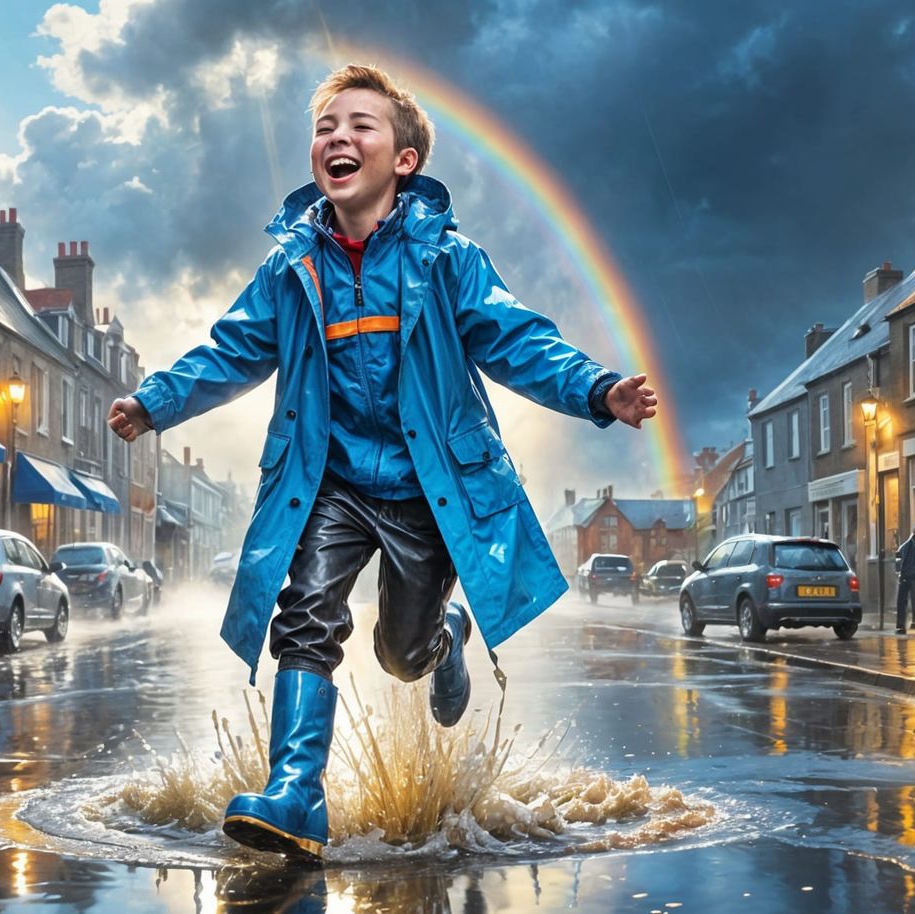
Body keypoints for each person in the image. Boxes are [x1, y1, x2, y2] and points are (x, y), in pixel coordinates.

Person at [105, 65, 656, 862]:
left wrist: (599, 390)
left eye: (361, 125)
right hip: (328, 479)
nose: (339, 136)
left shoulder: (447, 258)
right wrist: (156, 401)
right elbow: (232, 349)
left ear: (403, 160)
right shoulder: (291, 265)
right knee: (306, 617)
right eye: (327, 126)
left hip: (425, 489)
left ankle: (443, 637)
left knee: (398, 654)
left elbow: (517, 338)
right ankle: (297, 793)